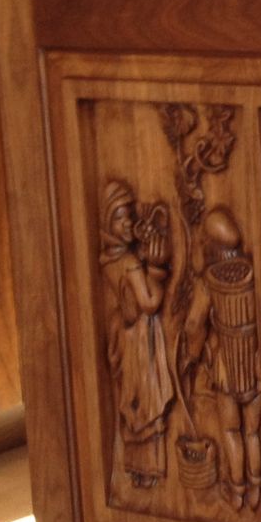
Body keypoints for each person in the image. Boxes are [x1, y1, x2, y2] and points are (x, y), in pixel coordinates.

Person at [99, 179, 175, 487]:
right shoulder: (129, 264)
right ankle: (150, 471)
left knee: (132, 406)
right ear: (107, 221)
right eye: (119, 216)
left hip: (126, 337)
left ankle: (136, 472)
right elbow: (150, 301)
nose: (127, 221)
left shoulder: (111, 259)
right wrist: (157, 267)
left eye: (129, 214)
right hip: (139, 344)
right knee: (145, 406)